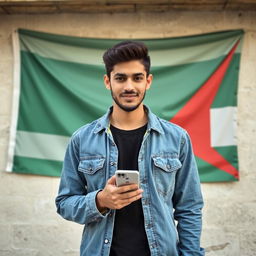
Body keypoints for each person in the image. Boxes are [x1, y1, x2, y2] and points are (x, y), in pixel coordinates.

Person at [55, 41, 204, 256]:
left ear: (148, 81)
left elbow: (189, 207)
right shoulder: (82, 139)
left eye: (137, 78)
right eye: (120, 78)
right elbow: (64, 203)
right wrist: (100, 201)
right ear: (108, 81)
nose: (129, 87)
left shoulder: (177, 138)